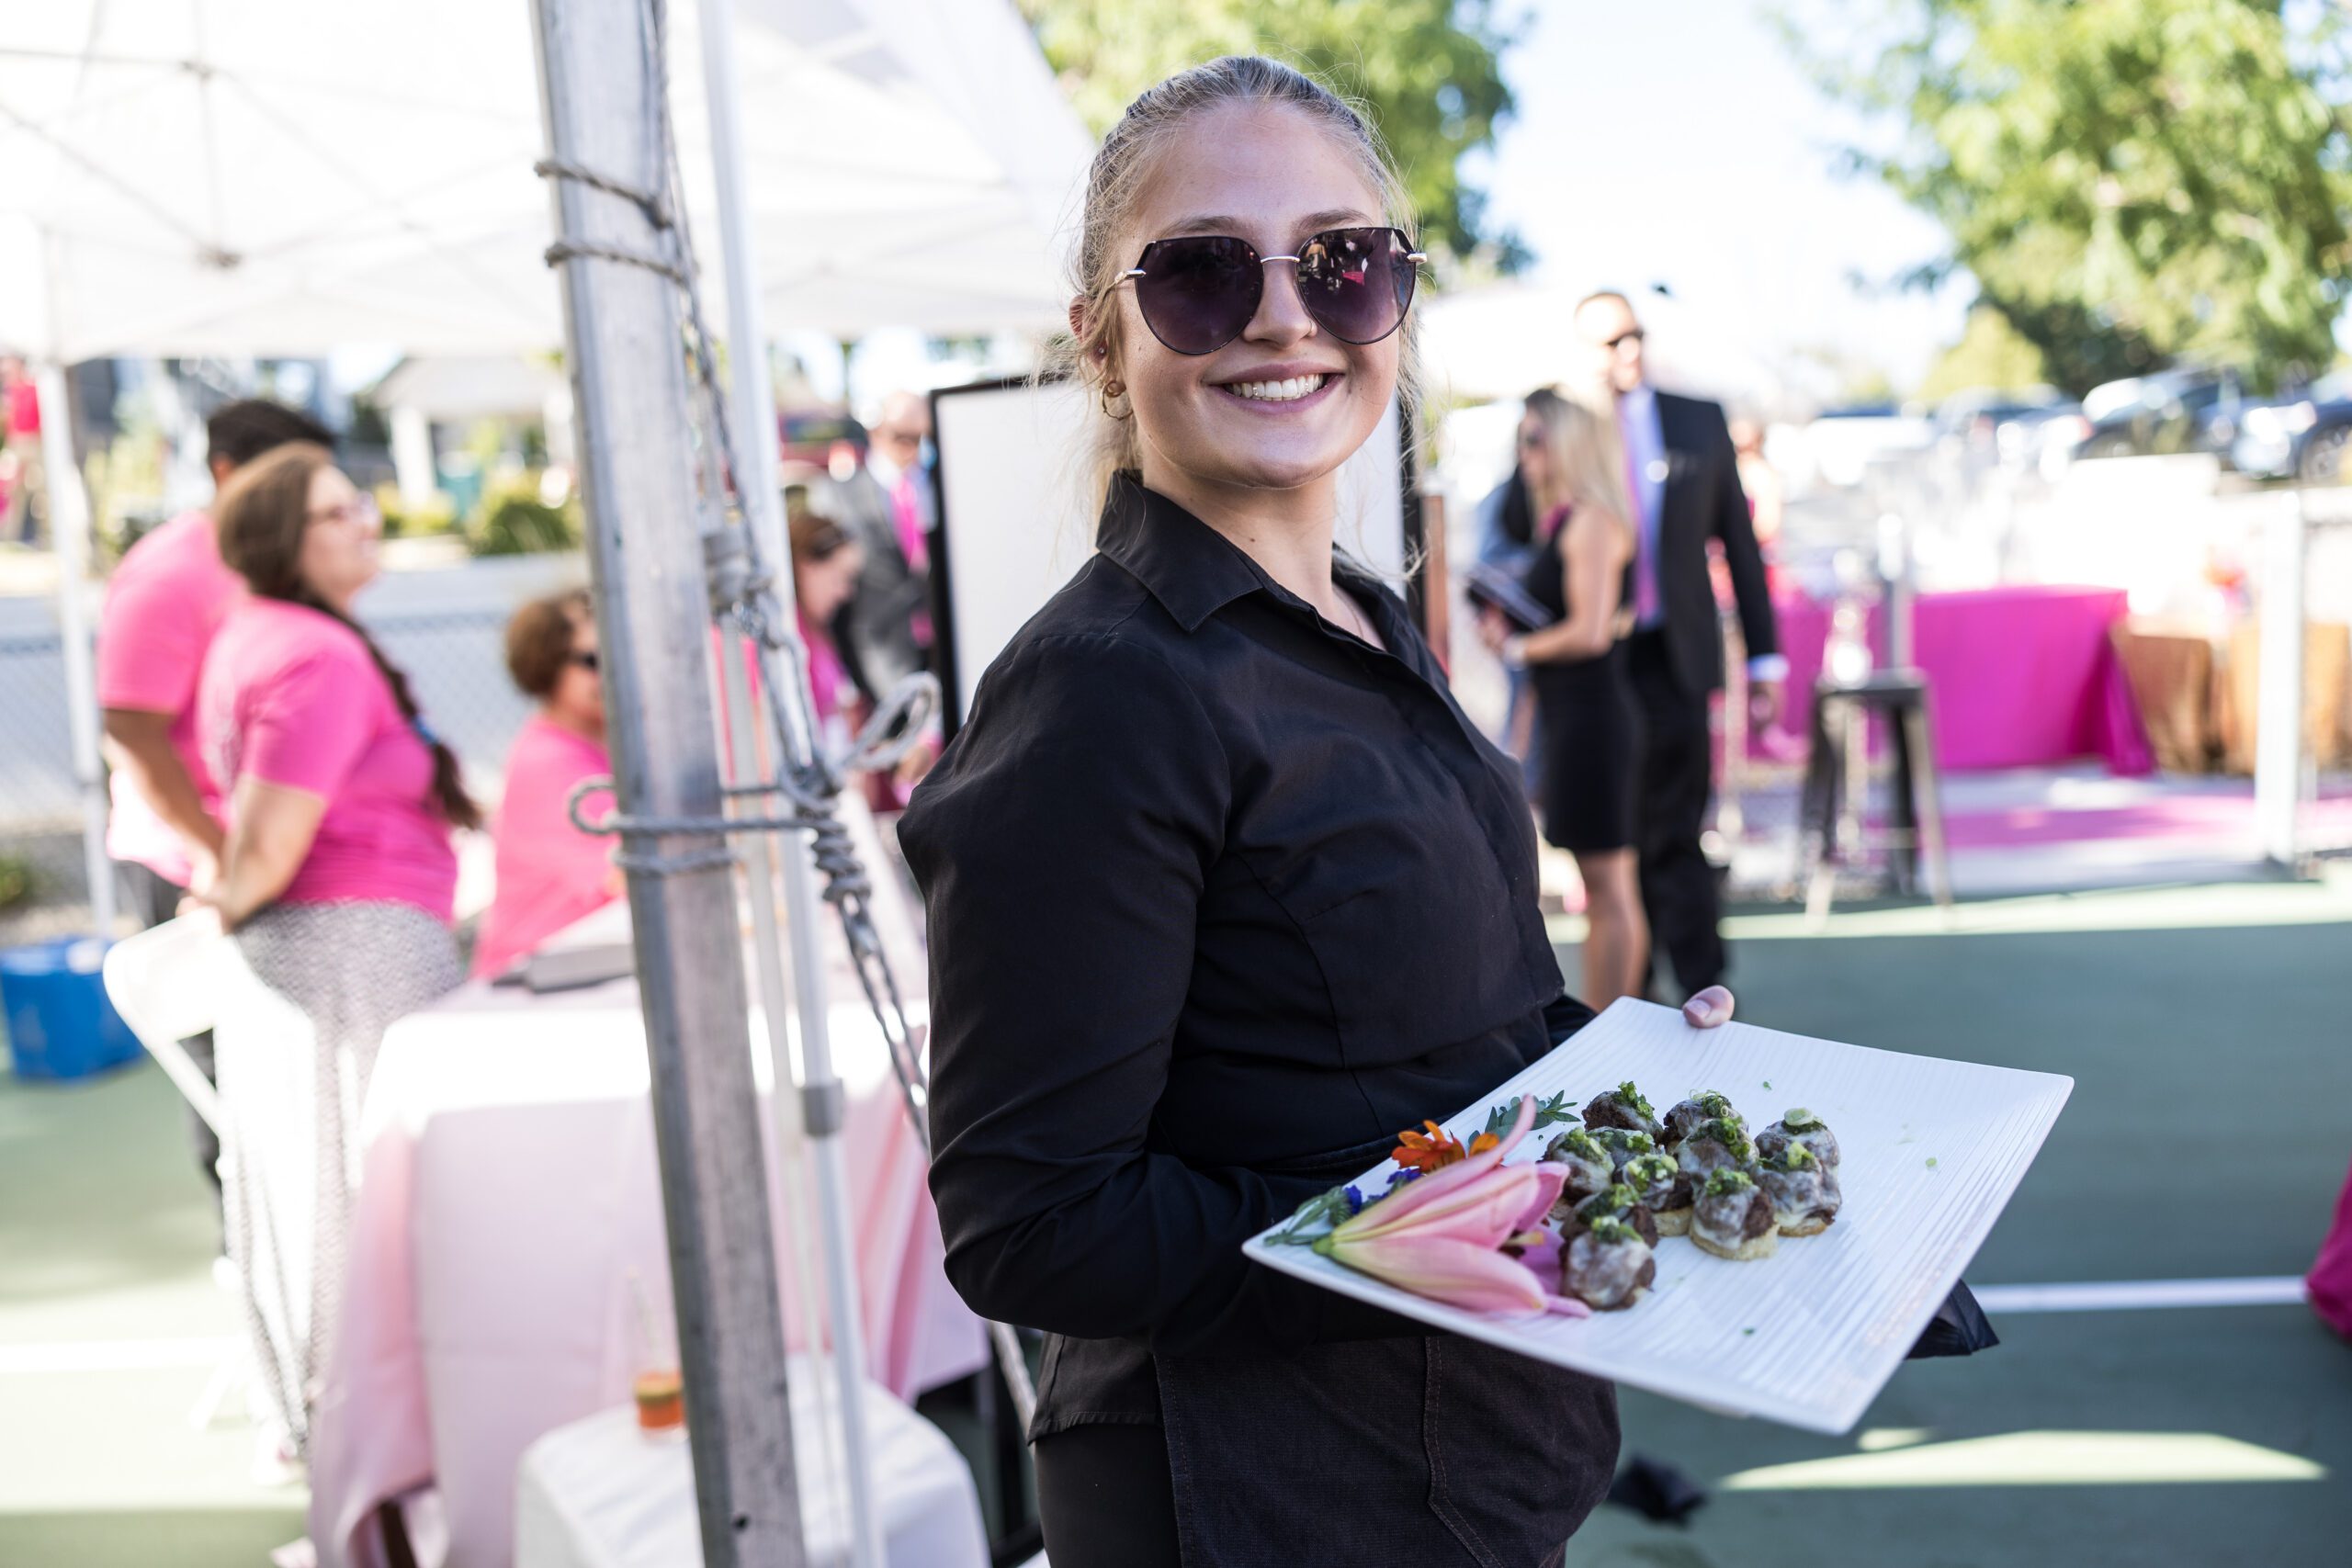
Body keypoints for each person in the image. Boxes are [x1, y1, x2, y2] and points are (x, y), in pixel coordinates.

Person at [895, 56, 1736, 1567]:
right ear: (1102, 339)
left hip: (1465, 1467)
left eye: (1343, 262)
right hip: (1264, 1501)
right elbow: (1033, 1223)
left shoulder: (1362, 613)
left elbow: (1427, 1037)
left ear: (1394, 302)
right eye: (1203, 272)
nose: (1285, 315)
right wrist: (1390, 1228)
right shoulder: (1104, 688)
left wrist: (1626, 1079)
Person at [197, 442, 475, 1461]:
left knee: (336, 1191)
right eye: (337, 511)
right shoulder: (310, 651)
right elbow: (269, 843)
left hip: (337, 944)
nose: (366, 520)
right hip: (350, 951)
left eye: (359, 501)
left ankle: (365, 1420)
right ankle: (376, 1426)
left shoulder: (282, 636)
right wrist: (223, 904)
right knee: (363, 1193)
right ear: (285, 539)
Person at [96, 397, 336, 1226]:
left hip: (265, 850)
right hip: (191, 855)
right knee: (225, 1062)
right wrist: (215, 850)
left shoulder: (276, 559)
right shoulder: (168, 574)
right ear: (228, 472)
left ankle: (308, 1236)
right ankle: (249, 1243)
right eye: (295, 480)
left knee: (291, 1060)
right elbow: (131, 729)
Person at [1571, 290, 1783, 998]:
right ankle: (1633, 1000)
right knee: (1619, 838)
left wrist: (1765, 657)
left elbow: (1740, 544)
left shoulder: (1697, 417)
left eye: (1634, 334)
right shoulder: (1566, 424)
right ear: (1583, 353)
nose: (1628, 350)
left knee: (1678, 829)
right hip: (1597, 663)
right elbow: (1520, 527)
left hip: (1676, 655)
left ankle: (1705, 993)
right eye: (1611, 341)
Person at [1490, 384, 1648, 1007]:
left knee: (1610, 887)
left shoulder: (1590, 521)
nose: (1524, 453)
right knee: (1600, 887)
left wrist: (1518, 648)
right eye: (1520, 439)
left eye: (1534, 438)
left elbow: (1589, 632)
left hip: (1594, 720)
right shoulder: (1565, 520)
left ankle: (1616, 1024)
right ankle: (1610, 1020)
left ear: (1568, 443)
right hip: (1574, 718)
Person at [473, 590, 618, 978]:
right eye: (593, 661)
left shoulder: (601, 748)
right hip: (534, 977)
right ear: (548, 665)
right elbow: (624, 873)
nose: (614, 672)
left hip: (579, 965)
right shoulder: (548, 760)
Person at [820, 389, 933, 705]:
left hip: (941, 648)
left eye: (921, 436)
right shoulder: (841, 496)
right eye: (902, 436)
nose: (912, 447)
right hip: (880, 658)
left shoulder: (939, 485)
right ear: (877, 431)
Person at [789, 506, 867, 744]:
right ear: (807, 568)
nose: (845, 593)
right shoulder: (788, 636)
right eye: (840, 577)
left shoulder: (820, 633)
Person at [1, 354, 43, 546]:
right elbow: (9, 421)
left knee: (38, 487)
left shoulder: (34, 387)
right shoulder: (9, 393)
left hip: (34, 441)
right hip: (15, 442)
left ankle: (45, 534)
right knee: (11, 489)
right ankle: (8, 535)